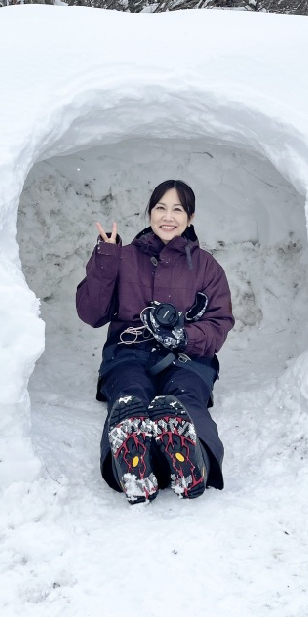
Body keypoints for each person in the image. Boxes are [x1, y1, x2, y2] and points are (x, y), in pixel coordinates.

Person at [76, 179, 235, 504]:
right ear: (149, 212)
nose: (168, 216)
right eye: (161, 207)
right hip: (128, 354)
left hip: (187, 358)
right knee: (129, 397)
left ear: (189, 217)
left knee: (186, 399)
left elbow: (219, 323)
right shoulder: (122, 257)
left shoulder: (206, 267)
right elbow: (92, 313)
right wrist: (105, 259)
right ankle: (131, 465)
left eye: (178, 209)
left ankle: (195, 459)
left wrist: (185, 336)